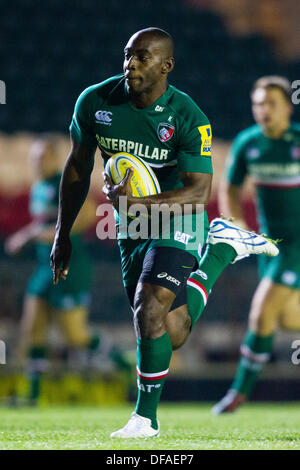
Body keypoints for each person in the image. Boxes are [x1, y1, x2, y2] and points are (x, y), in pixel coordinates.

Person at [50, 28, 278, 438]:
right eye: (126, 55)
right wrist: (62, 233)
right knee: (169, 333)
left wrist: (140, 205)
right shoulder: (96, 102)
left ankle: (144, 420)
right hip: (131, 224)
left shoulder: (188, 116)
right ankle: (222, 251)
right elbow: (77, 168)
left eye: (141, 57)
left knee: (149, 303)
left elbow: (199, 191)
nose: (130, 64)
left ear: (165, 65)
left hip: (180, 215)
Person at [5, 136, 130, 404]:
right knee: (33, 329)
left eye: (42, 158)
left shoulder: (67, 182)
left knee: (75, 336)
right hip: (43, 268)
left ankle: (122, 362)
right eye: (34, 158)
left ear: (53, 157)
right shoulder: (38, 187)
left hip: (69, 266)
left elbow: (87, 214)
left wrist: (31, 235)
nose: (36, 163)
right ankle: (33, 395)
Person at [212, 76, 300, 414]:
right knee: (288, 319)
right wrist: (238, 224)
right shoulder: (248, 143)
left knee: (261, 313)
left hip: (296, 247)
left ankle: (238, 393)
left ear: (287, 108)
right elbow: (230, 189)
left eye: (271, 103)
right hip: (270, 245)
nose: (264, 110)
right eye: (258, 104)